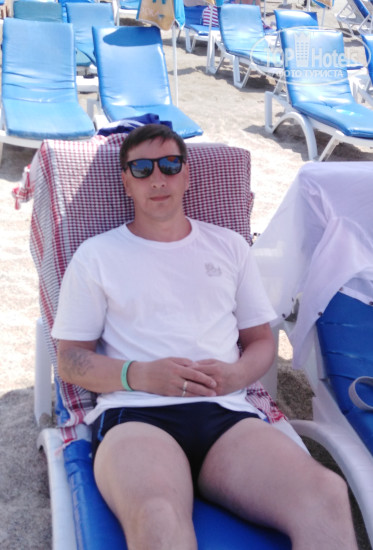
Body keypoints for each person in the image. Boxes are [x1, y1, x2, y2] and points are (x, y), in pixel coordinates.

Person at [52, 124, 357, 550]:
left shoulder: (229, 247)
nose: (157, 178)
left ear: (187, 174)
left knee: (327, 494)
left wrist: (237, 376)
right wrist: (140, 375)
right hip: (136, 415)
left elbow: (260, 341)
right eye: (141, 168)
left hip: (226, 416)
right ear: (125, 181)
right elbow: (69, 361)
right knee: (158, 515)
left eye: (169, 164)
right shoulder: (97, 256)